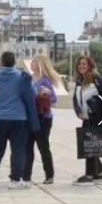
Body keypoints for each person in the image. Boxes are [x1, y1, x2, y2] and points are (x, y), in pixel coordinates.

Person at [0, 51, 39, 189]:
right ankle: (15, 180)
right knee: (18, 149)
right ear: (14, 62)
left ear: (1, 61)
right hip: (19, 119)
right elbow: (33, 93)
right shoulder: (21, 76)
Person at [72, 56, 102, 185]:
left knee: (90, 144)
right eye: (79, 64)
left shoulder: (96, 78)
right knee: (91, 143)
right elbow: (76, 98)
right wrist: (78, 110)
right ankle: (98, 172)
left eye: (84, 64)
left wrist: (94, 104)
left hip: (97, 117)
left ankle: (89, 175)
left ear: (90, 65)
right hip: (86, 117)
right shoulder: (80, 80)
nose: (81, 66)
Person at [23, 55, 63, 185]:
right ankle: (26, 176)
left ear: (40, 64)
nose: (31, 63)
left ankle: (49, 175)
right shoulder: (29, 79)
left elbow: (53, 99)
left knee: (43, 147)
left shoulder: (44, 80)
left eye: (34, 61)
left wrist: (42, 97)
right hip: (30, 118)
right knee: (27, 148)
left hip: (43, 118)